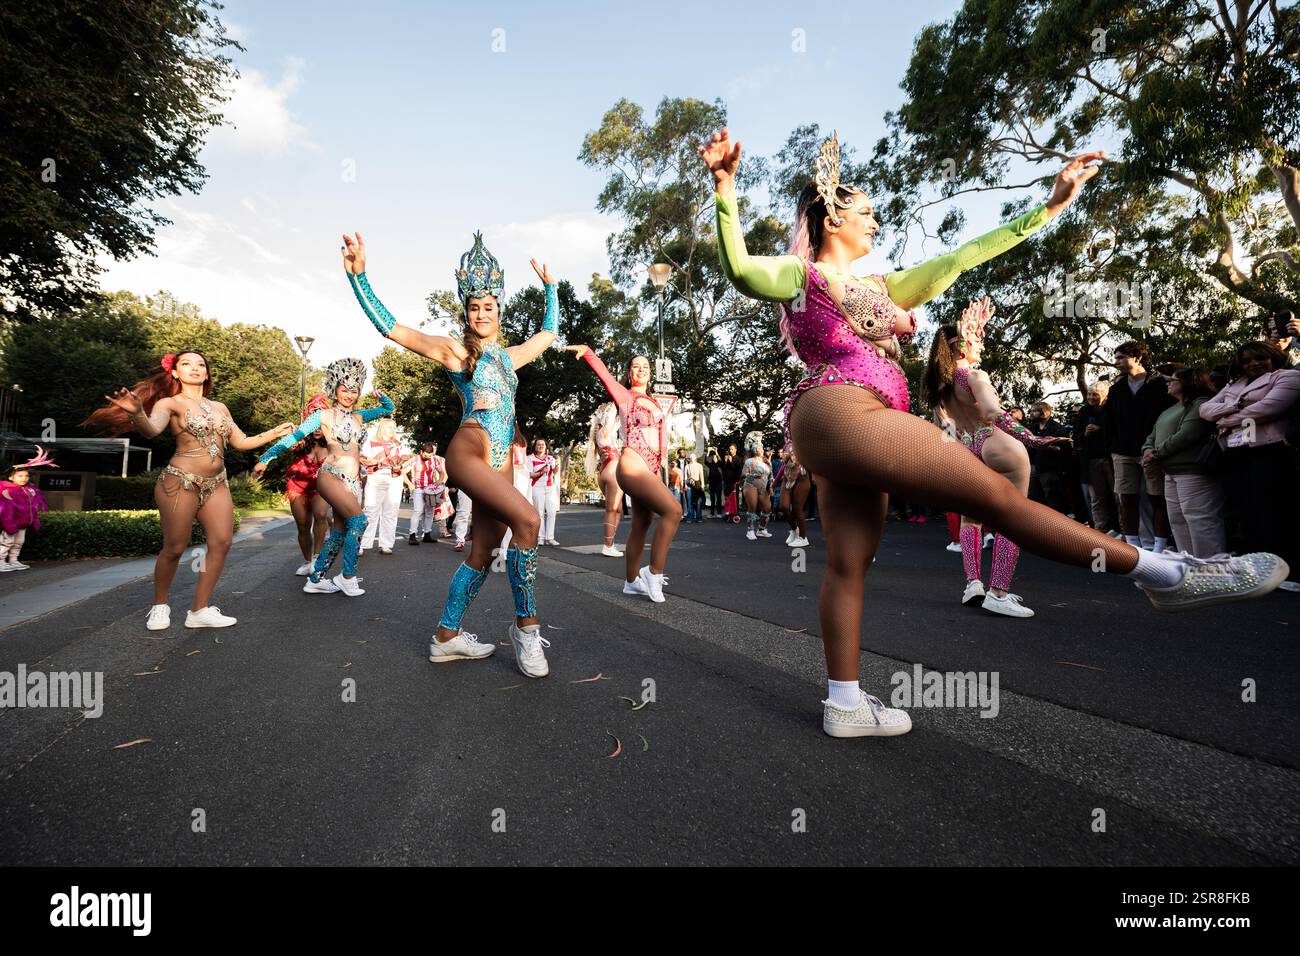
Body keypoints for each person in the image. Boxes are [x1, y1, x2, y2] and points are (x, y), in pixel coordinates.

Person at [704, 126, 1288, 739]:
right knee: (999, 498)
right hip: (844, 409)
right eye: (866, 213)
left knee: (850, 563)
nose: (876, 222)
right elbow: (741, 268)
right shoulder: (803, 278)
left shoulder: (883, 286)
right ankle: (1169, 575)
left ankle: (844, 703)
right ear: (830, 219)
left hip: (834, 425)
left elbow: (963, 256)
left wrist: (1051, 206)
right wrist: (725, 188)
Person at [343, 229, 559, 676]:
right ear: (466, 312)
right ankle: (527, 629)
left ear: (500, 310)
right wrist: (360, 279)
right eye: (474, 307)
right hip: (468, 447)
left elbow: (550, 333)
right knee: (529, 521)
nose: (481, 313)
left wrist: (552, 289)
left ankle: (446, 636)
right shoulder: (456, 351)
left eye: (489, 306)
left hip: (500, 462)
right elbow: (391, 328)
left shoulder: (511, 356)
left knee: (482, 551)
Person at [89, 351, 294, 629]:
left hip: (216, 483)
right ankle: (160, 605)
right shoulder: (169, 403)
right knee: (174, 547)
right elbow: (151, 430)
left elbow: (241, 441)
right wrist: (138, 414)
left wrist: (274, 433)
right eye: (186, 364)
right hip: (180, 481)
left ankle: (199, 609)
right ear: (175, 372)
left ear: (207, 374)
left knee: (222, 542)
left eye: (200, 365)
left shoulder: (220, 407)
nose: (195, 368)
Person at [924, 297, 1067, 618]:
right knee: (1013, 519)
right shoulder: (975, 377)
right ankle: (998, 592)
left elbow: (945, 433)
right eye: (977, 341)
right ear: (961, 347)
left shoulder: (940, 390)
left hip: (968, 449)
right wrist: (1033, 438)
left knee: (970, 519)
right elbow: (991, 411)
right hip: (997, 443)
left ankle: (973, 584)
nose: (982, 348)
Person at [256, 359, 395, 597]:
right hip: (331, 475)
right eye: (344, 389)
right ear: (334, 389)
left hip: (353, 483)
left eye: (354, 389)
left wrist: (382, 396)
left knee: (340, 531)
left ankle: (316, 579)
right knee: (359, 522)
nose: (349, 394)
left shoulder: (360, 417)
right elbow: (293, 437)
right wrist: (266, 458)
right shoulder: (323, 416)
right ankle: (347, 577)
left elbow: (387, 409)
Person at [566, 345, 679, 602]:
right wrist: (588, 352)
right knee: (674, 512)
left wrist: (659, 470)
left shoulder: (653, 401)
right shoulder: (626, 396)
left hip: (650, 469)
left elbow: (661, 439)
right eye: (636, 366)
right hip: (631, 465)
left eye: (645, 367)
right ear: (629, 374)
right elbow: (605, 375)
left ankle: (630, 582)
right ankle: (653, 573)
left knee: (642, 523)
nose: (641, 370)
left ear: (651, 374)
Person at [1200, 342, 1300, 588]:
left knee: (1273, 511)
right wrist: (1235, 407)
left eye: (1260, 358)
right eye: (1247, 361)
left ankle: (1287, 571)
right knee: (1246, 511)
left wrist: (1225, 418)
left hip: (1269, 451)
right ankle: (1257, 568)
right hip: (1235, 451)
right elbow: (1204, 410)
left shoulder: (1288, 377)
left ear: (1273, 357)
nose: (1253, 364)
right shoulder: (1235, 384)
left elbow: (1268, 409)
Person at [1141, 369, 1223, 558]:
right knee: (1177, 519)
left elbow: (1188, 434)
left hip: (1193, 471)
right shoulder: (1170, 409)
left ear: (1188, 382)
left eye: (1172, 379)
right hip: (1170, 471)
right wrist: (1147, 448)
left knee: (1199, 518)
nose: (1168, 382)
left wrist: (1156, 453)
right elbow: (1153, 434)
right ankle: (1188, 562)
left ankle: (1210, 566)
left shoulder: (1200, 404)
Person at [1105, 341, 1176, 551]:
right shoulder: (1116, 389)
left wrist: (1158, 446)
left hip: (1153, 451)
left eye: (1120, 357)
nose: (1115, 362)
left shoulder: (1161, 385)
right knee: (1126, 498)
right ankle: (1132, 545)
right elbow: (1110, 421)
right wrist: (1113, 446)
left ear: (1137, 357)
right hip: (1122, 451)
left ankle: (1160, 545)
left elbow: (1169, 417)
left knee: (1158, 498)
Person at [284, 394, 332, 574]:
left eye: (320, 422)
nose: (317, 428)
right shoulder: (299, 439)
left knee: (320, 515)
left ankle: (316, 559)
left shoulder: (332, 441)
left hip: (321, 485)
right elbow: (283, 445)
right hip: (297, 486)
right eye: (313, 421)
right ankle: (306, 561)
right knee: (303, 526)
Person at [0, 447, 56, 571]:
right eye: (20, 476)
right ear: (10, 477)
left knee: (19, 542)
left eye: (26, 475)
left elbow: (32, 507)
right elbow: (4, 509)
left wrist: (33, 519)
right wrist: (8, 523)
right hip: (10, 523)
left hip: (23, 523)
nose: (24, 478)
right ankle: (1, 561)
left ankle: (13, 560)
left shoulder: (30, 490)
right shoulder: (6, 490)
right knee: (7, 542)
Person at [1073, 382, 1118, 535]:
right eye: (1089, 394)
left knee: (1118, 495)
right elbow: (1076, 438)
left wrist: (1101, 430)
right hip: (1090, 460)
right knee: (1097, 498)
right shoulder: (1084, 412)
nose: (1091, 398)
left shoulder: (1111, 410)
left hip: (1110, 458)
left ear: (1104, 395)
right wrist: (1084, 434)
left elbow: (1117, 432)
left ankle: (1123, 529)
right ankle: (1100, 529)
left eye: (1095, 394)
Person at [586, 401, 624, 556]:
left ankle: (611, 544)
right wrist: (614, 405)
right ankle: (608, 545)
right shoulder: (605, 432)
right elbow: (613, 415)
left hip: (604, 470)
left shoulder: (599, 435)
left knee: (618, 509)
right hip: (612, 469)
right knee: (612, 509)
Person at [1025, 401, 1073, 515]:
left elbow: (1065, 448)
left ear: (1043, 412)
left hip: (1051, 468)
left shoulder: (1057, 428)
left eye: (1034, 411)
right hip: (1034, 467)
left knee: (1053, 498)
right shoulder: (1032, 428)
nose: (1031, 413)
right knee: (1035, 496)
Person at [404, 442, 451, 545]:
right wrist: (409, 484)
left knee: (430, 512)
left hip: (430, 490)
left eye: (429, 456)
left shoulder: (434, 459)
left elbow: (442, 472)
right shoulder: (415, 459)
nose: (427, 458)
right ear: (421, 452)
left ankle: (427, 534)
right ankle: (412, 535)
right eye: (425, 456)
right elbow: (403, 472)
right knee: (418, 511)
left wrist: (439, 481)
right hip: (418, 489)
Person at [740, 432, 773, 540]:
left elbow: (771, 475)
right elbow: (743, 474)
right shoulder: (749, 461)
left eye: (762, 447)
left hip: (763, 488)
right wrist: (753, 474)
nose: (762, 449)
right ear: (755, 450)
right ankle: (750, 530)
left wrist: (771, 486)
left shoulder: (767, 461)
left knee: (767, 508)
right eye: (760, 448)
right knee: (752, 508)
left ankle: (761, 529)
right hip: (751, 485)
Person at [529, 438, 560, 546]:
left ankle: (550, 538)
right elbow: (529, 474)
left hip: (549, 487)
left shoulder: (550, 458)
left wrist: (556, 465)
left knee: (552, 512)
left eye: (543, 444)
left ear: (546, 446)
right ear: (535, 447)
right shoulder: (530, 458)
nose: (541, 446)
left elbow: (555, 472)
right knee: (540, 513)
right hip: (537, 487)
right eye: (538, 444)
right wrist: (541, 472)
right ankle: (540, 537)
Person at [781, 450, 812, 548]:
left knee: (797, 509)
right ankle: (795, 530)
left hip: (802, 477)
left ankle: (803, 538)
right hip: (788, 476)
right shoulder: (789, 443)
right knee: (784, 507)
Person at [684, 453, 705, 523]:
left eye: (692, 456)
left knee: (698, 502)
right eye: (690, 457)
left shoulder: (699, 465)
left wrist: (702, 485)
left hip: (698, 485)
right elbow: (685, 477)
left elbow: (701, 476)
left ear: (695, 457)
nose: (691, 458)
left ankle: (698, 517)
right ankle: (690, 517)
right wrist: (686, 486)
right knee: (690, 502)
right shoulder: (687, 466)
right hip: (689, 485)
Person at [705, 447, 725, 518]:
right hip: (712, 483)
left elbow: (720, 460)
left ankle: (719, 513)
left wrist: (716, 452)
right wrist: (708, 452)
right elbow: (706, 461)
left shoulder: (720, 464)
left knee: (719, 499)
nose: (714, 458)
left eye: (715, 457)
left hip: (718, 483)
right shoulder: (710, 464)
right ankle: (712, 513)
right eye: (713, 457)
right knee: (712, 499)